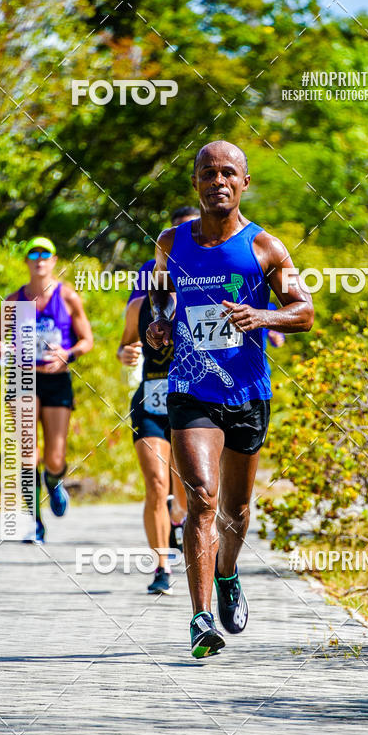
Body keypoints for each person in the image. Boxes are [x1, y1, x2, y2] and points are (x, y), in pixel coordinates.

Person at [147, 141, 314, 657]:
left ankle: (227, 571)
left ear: (243, 182)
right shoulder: (171, 241)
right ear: (195, 184)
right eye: (207, 173)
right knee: (201, 495)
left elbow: (304, 310)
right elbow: (160, 292)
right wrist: (160, 323)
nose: (217, 181)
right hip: (191, 387)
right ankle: (199, 620)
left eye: (227, 173)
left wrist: (262, 317)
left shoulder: (266, 247)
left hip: (246, 391)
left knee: (236, 511)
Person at [0, 236, 93, 543]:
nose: (39, 259)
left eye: (45, 254)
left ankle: (54, 481)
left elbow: (87, 340)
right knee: (25, 452)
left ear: (54, 260)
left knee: (55, 457)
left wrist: (67, 355)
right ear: (26, 261)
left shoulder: (68, 297)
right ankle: (34, 522)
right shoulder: (14, 301)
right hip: (22, 377)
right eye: (33, 253)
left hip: (55, 378)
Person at [117, 207, 199, 594]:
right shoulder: (139, 306)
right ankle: (162, 569)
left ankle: (180, 517)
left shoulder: (199, 299)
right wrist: (127, 354)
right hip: (150, 401)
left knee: (186, 489)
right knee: (155, 483)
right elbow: (124, 348)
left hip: (192, 402)